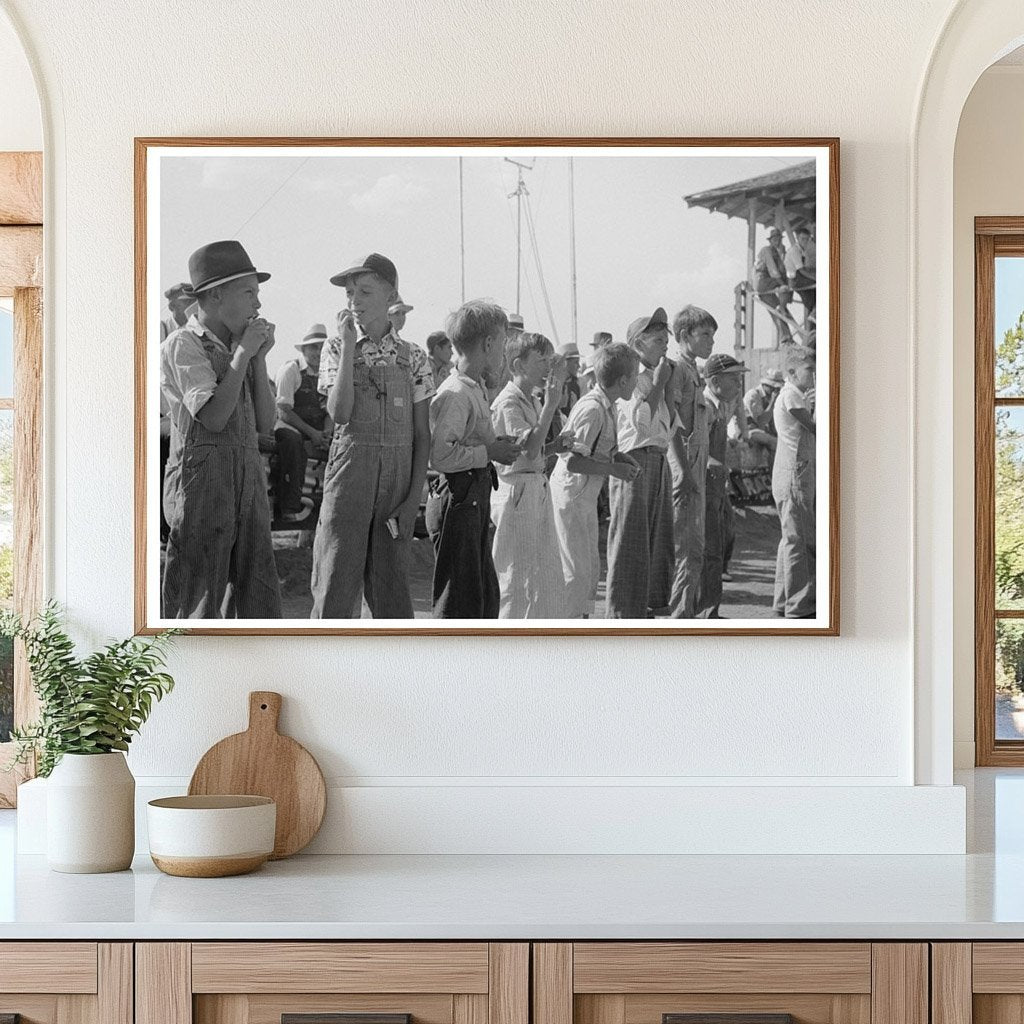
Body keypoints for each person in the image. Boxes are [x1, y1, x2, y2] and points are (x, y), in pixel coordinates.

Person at [160, 239, 281, 619]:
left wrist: (257, 359)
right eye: (248, 292)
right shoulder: (183, 345)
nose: (257, 304)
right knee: (198, 600)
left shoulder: (239, 347)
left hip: (247, 485)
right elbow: (213, 418)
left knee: (257, 596)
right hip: (200, 489)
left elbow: (266, 423)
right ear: (213, 296)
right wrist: (242, 355)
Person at [311, 253, 434, 619]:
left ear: (390, 295)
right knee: (335, 583)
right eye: (349, 293)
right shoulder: (335, 348)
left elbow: (422, 435)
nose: (354, 302)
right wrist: (349, 346)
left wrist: (414, 499)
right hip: (349, 479)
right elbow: (340, 413)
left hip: (396, 486)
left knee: (391, 589)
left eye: (364, 292)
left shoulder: (414, 357)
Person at [426, 300, 521, 618]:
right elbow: (440, 456)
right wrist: (489, 453)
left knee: (481, 594)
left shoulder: (474, 388)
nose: (504, 351)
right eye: (503, 342)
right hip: (458, 500)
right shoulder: (455, 393)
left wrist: (494, 446)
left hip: (473, 499)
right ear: (489, 343)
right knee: (460, 599)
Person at [551, 343, 640, 617]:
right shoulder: (593, 409)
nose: (637, 381)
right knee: (575, 572)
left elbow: (597, 448)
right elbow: (572, 460)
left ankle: (579, 623)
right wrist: (613, 470)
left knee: (588, 569)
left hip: (584, 498)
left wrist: (619, 457)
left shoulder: (608, 405)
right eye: (635, 376)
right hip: (572, 496)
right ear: (623, 380)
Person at [490, 332, 569, 618]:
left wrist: (554, 446)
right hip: (516, 491)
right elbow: (528, 450)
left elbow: (533, 450)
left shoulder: (529, 399)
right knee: (515, 574)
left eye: (549, 359)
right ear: (518, 365)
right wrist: (551, 405)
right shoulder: (509, 402)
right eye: (541, 359)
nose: (547, 366)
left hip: (532, 486)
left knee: (539, 571)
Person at [606, 307, 675, 619]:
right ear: (637, 343)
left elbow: (669, 425)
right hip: (635, 458)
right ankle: (622, 613)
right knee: (630, 537)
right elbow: (641, 424)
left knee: (650, 539)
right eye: (658, 340)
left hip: (656, 458)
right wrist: (660, 385)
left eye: (665, 340)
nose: (665, 345)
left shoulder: (652, 377)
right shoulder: (632, 379)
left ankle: (640, 607)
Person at [665, 305, 715, 618]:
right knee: (687, 546)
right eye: (705, 334)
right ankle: (679, 618)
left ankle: (685, 613)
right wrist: (683, 470)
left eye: (712, 335)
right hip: (684, 460)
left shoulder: (693, 370)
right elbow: (671, 423)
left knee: (695, 546)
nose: (711, 341)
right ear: (684, 336)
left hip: (696, 458)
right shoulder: (679, 371)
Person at [696, 353, 748, 618]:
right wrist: (712, 461)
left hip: (717, 486)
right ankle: (704, 612)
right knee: (709, 549)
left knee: (720, 543)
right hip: (703, 486)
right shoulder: (704, 406)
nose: (739, 385)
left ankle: (709, 609)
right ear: (715, 381)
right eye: (734, 379)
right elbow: (691, 446)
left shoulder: (720, 405)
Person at [772, 346, 817, 618]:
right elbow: (816, 427)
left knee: (790, 539)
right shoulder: (791, 395)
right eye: (809, 370)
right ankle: (799, 606)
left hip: (796, 472)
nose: (814, 375)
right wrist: (818, 405)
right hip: (794, 474)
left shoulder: (797, 394)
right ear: (792, 372)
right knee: (800, 541)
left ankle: (783, 601)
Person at [273, 323, 332, 521]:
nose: (318, 352)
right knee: (292, 441)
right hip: (291, 423)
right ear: (304, 349)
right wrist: (313, 434)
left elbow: (330, 410)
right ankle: (289, 505)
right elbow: (284, 411)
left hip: (317, 425)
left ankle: (332, 506)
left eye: (322, 347)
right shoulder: (291, 370)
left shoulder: (329, 373)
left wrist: (326, 434)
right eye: (313, 347)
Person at [754, 228, 792, 345]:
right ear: (770, 240)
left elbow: (784, 269)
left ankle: (786, 337)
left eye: (779, 239)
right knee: (778, 306)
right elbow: (773, 270)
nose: (777, 241)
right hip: (764, 282)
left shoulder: (778, 252)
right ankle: (785, 337)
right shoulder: (767, 250)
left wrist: (783, 253)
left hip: (771, 282)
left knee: (779, 308)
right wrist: (783, 284)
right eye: (775, 239)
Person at [744, 369, 783, 467]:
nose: (776, 391)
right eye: (773, 388)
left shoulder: (768, 396)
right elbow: (760, 421)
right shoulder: (753, 395)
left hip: (760, 430)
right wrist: (773, 402)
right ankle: (773, 475)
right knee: (775, 443)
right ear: (765, 385)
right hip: (747, 430)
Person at [786, 226, 816, 319]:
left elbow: (806, 268)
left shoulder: (802, 250)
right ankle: (814, 314)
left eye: (807, 239)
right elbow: (801, 270)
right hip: (795, 280)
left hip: (799, 278)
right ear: (797, 238)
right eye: (802, 239)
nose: (805, 241)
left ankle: (813, 316)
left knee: (813, 297)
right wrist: (815, 278)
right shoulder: (795, 250)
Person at [557, 342, 582, 417]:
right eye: (576, 362)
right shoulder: (553, 386)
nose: (579, 366)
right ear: (565, 362)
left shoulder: (575, 386)